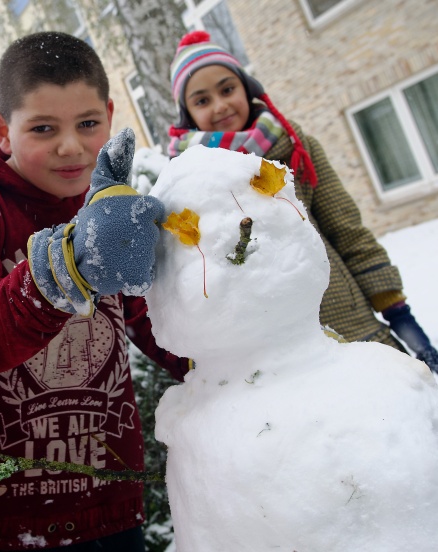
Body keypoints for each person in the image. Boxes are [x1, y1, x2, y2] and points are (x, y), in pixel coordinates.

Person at [0, 31, 189, 551]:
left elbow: (150, 318)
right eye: (43, 128)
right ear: (3, 130)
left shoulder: (105, 196)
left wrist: (241, 366)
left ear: (110, 117)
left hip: (109, 495)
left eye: (87, 124)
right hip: (1, 511)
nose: (71, 147)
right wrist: (68, 264)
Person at [167, 30, 438, 372]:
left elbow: (345, 226)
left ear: (246, 89)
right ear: (188, 113)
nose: (220, 106)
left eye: (227, 89)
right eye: (202, 100)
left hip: (347, 318)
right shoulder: (189, 180)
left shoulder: (292, 142)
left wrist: (396, 309)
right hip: (270, 351)